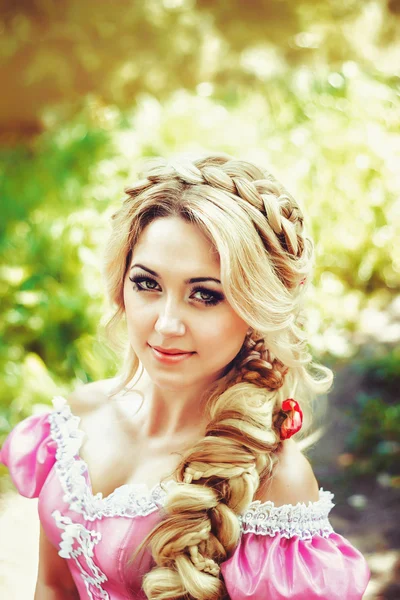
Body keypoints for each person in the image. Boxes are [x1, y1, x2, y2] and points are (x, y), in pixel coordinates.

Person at [0, 153, 370, 600]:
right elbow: (53, 586)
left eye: (205, 294)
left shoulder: (278, 481)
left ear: (254, 309)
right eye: (147, 284)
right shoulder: (79, 417)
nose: (167, 324)